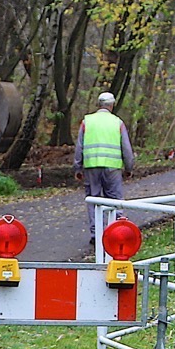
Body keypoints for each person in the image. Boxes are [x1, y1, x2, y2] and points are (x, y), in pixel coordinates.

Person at [74, 92, 136, 239]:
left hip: (91, 167)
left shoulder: (86, 122)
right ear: (112, 105)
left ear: (99, 104)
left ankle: (96, 234)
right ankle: (117, 232)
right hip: (112, 168)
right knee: (115, 200)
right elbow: (126, 149)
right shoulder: (117, 122)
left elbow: (79, 147)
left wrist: (77, 167)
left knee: (93, 200)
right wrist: (129, 168)